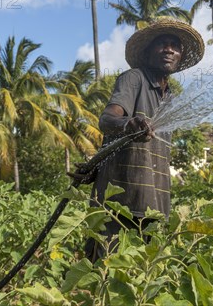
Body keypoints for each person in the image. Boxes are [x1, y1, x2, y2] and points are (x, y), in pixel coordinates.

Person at [86, 19, 204, 261]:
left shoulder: (169, 98)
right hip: (120, 203)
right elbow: (108, 119)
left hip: (155, 205)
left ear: (180, 55)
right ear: (148, 51)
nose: (169, 49)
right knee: (108, 275)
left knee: (142, 281)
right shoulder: (133, 79)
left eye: (175, 45)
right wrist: (128, 123)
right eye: (162, 44)